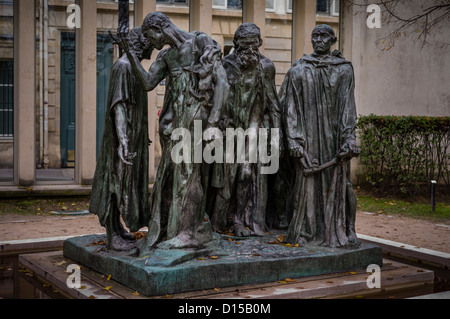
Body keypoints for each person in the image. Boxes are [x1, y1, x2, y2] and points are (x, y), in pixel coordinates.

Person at [113, 12, 229, 250]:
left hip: (198, 122)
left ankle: (188, 233)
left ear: (158, 29)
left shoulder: (201, 43)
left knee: (189, 177)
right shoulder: (167, 56)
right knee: (169, 181)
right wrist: (130, 56)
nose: (150, 45)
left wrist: (214, 123)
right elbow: (147, 82)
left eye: (149, 37)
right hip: (173, 127)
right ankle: (170, 228)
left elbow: (222, 83)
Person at [280, 24, 360, 248]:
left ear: (333, 40)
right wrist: (294, 140)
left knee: (344, 185)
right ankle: (307, 230)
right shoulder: (299, 70)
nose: (319, 40)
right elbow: (290, 108)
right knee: (305, 186)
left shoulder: (344, 69)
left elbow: (348, 107)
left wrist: (349, 138)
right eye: (315, 36)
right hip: (308, 139)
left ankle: (347, 229)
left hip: (335, 139)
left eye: (324, 36)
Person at [211, 23, 283, 237]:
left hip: (253, 130)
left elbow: (272, 103)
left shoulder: (266, 67)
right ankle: (216, 223)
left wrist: (278, 138)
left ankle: (240, 221)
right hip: (228, 131)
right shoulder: (224, 65)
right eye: (244, 45)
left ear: (259, 43)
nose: (249, 50)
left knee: (244, 175)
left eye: (253, 44)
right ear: (236, 44)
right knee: (224, 179)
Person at [89, 27, 153, 251]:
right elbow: (119, 107)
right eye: (150, 44)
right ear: (141, 45)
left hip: (131, 137)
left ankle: (117, 228)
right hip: (121, 139)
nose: (153, 48)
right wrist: (123, 140)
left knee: (126, 183)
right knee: (116, 183)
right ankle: (111, 233)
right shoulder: (124, 67)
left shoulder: (133, 68)